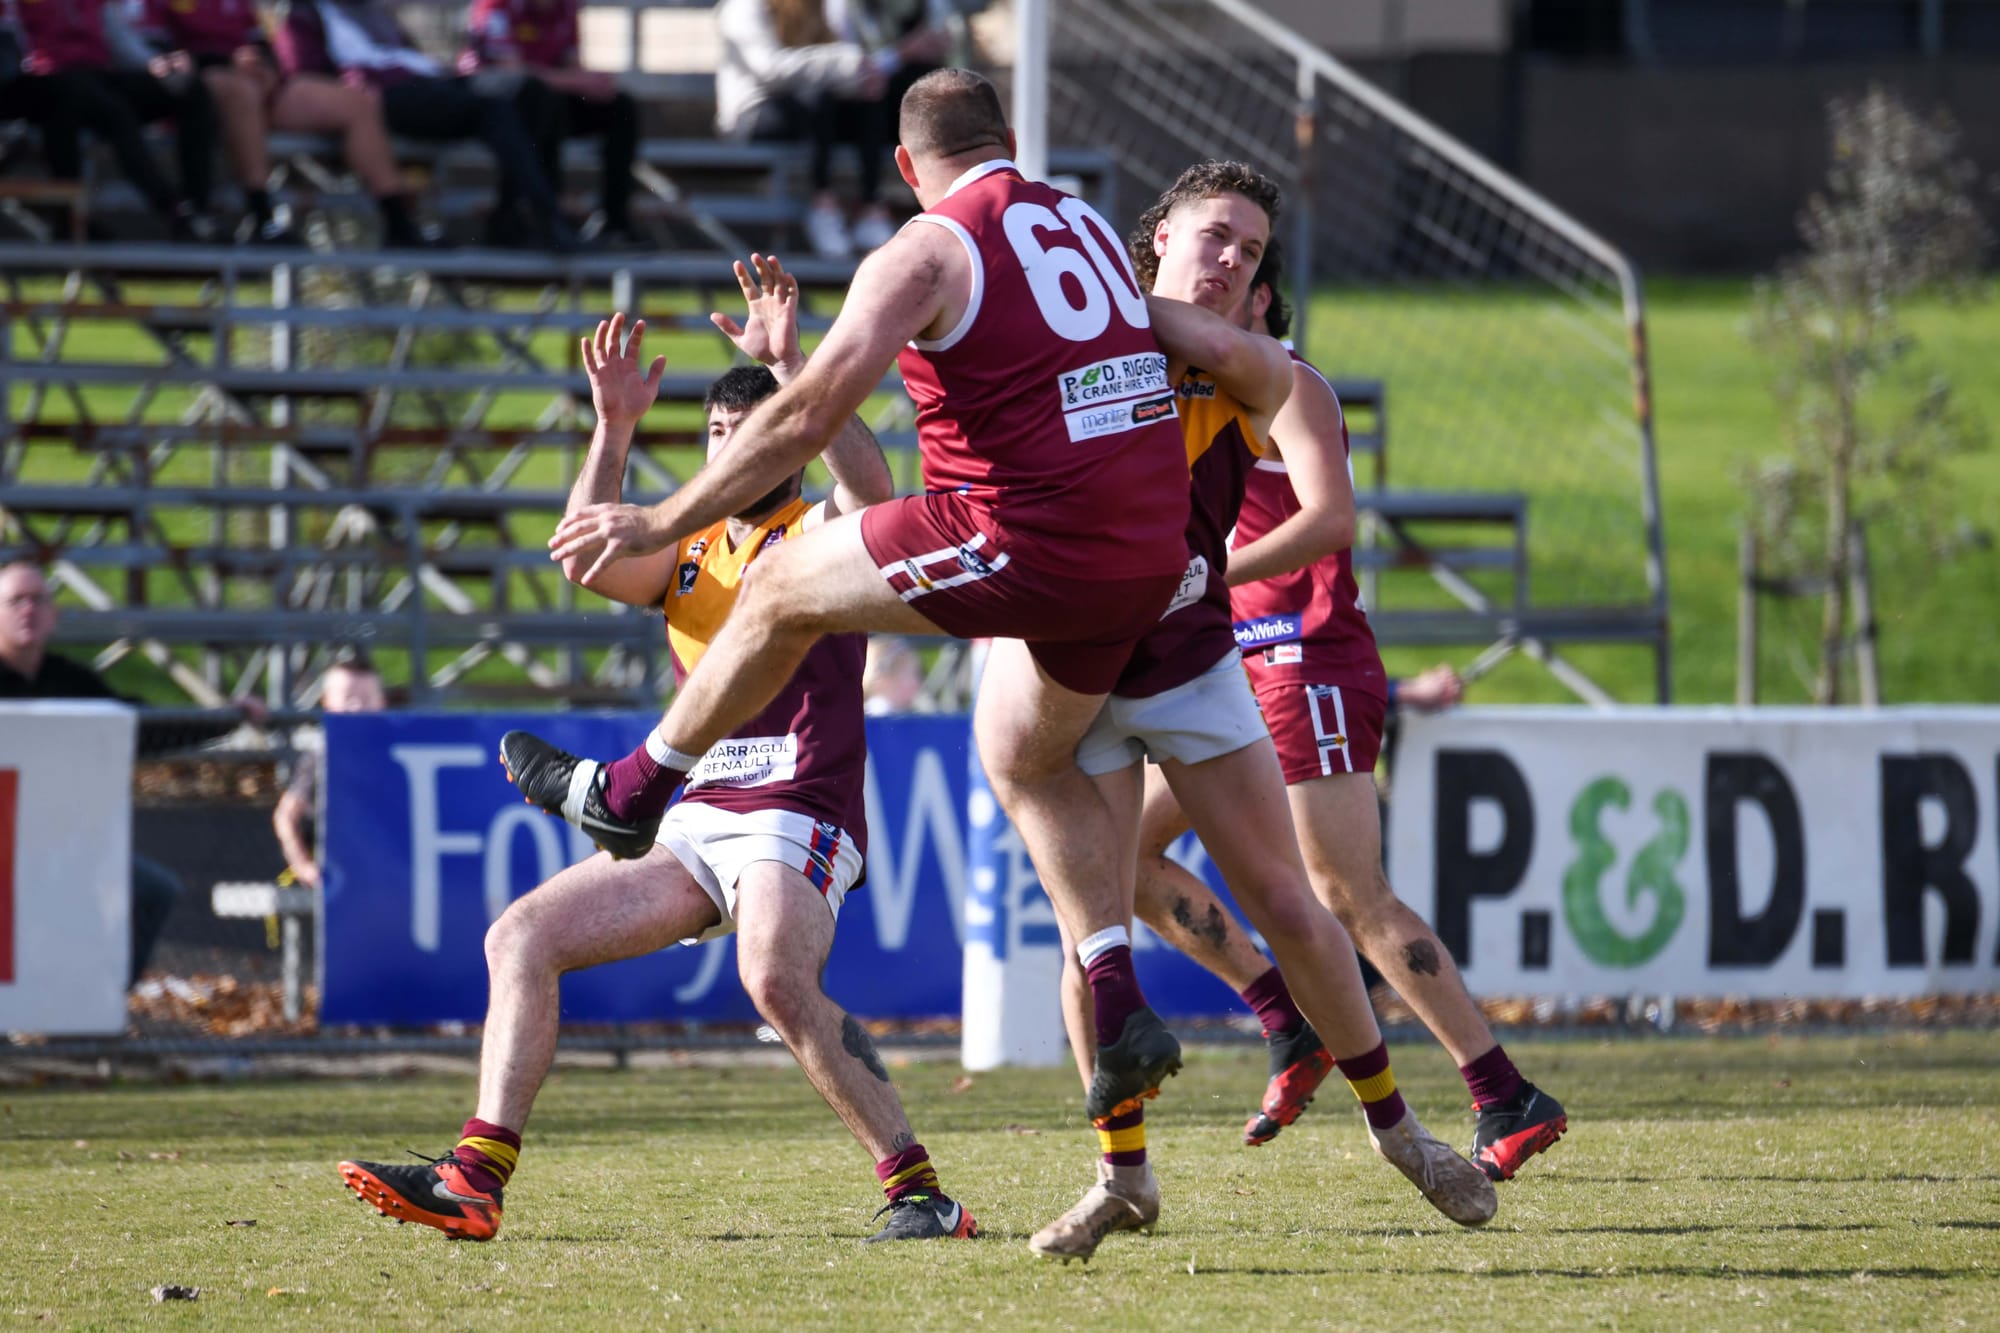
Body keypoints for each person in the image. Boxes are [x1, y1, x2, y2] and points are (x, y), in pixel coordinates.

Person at [498, 76, 1204, 1256]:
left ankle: (630, 786)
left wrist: (660, 506)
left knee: (780, 590)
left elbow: (815, 411)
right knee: (1028, 762)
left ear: (900, 163)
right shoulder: (1076, 219)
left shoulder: (925, 248)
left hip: (1028, 540)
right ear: (1011, 146)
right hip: (1144, 557)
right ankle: (1114, 982)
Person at [340, 260, 978, 1246]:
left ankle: (918, 1191)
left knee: (772, 977)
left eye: (750, 431)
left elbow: (873, 483)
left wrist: (794, 365)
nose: (726, 449)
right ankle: (474, 1178)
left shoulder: (822, 531)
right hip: (692, 819)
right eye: (715, 435)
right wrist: (613, 428)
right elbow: (585, 553)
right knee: (520, 937)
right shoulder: (689, 550)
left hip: (798, 805)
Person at [1032, 163, 1495, 1261]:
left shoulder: (1254, 368)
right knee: (1091, 921)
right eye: (1216, 235)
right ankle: (1119, 1173)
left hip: (1197, 657)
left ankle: (1401, 1132)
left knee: (1296, 898)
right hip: (1085, 661)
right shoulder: (1079, 343)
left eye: (1251, 248)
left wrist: (1214, 575)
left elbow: (1324, 499)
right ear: (1156, 238)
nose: (1235, 257)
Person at [1118, 262, 1568, 1183]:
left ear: (1259, 306)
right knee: (1118, 852)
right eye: (1207, 257)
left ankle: (1504, 1091)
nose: (1219, 284)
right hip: (1241, 664)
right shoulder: (1187, 388)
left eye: (1241, 272)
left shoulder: (1284, 379)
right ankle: (1284, 1017)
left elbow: (1331, 521)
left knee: (1348, 894)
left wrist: (1207, 578)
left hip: (1304, 654)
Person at [0, 559, 265, 985]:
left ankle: (91, 1009)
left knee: (152, 891)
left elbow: (143, 728)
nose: (27, 609)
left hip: (61, 846)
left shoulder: (71, 683)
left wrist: (226, 719)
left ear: (54, 614)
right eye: (15, 600)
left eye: (38, 599)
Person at [125, 0, 432, 247]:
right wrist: (223, 65)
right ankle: (262, 216)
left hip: (253, 84)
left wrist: (265, 68)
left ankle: (398, 221)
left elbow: (258, 43)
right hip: (198, 90)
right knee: (240, 92)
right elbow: (155, 53)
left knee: (355, 103)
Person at [274, 0, 575, 250]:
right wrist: (352, 89)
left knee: (529, 92)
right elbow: (305, 75)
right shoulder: (306, 14)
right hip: (387, 97)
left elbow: (409, 56)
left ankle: (517, 217)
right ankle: (542, 218)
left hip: (431, 83)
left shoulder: (372, 13)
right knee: (496, 108)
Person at [713, 0, 948, 258]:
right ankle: (822, 205)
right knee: (818, 98)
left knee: (868, 97)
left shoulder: (822, 8)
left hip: (809, 111)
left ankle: (871, 206)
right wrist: (845, 64)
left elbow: (843, 63)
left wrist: (860, 76)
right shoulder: (743, 7)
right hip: (755, 112)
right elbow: (769, 69)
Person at [0, 0, 218, 239]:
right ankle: (170, 208)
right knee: (105, 108)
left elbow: (116, 36)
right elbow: (16, 43)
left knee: (188, 90)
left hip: (99, 75)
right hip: (53, 80)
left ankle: (198, 209)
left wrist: (156, 64)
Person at [458, 0, 640, 246]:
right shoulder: (496, 6)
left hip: (549, 101)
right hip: (490, 107)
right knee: (541, 101)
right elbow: (510, 71)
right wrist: (578, 81)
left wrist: (592, 82)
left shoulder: (566, 8)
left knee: (620, 107)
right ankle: (537, 219)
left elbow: (570, 65)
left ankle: (615, 221)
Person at [271, 654, 387, 889]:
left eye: (365, 698)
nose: (356, 707)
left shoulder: (403, 751)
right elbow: (286, 816)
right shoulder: (321, 754)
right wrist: (304, 866)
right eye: (348, 698)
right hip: (339, 880)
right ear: (327, 702)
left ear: (381, 702)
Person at [860, 635, 925, 715]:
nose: (918, 682)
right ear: (885, 680)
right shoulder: (880, 715)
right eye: (913, 674)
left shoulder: (906, 713)